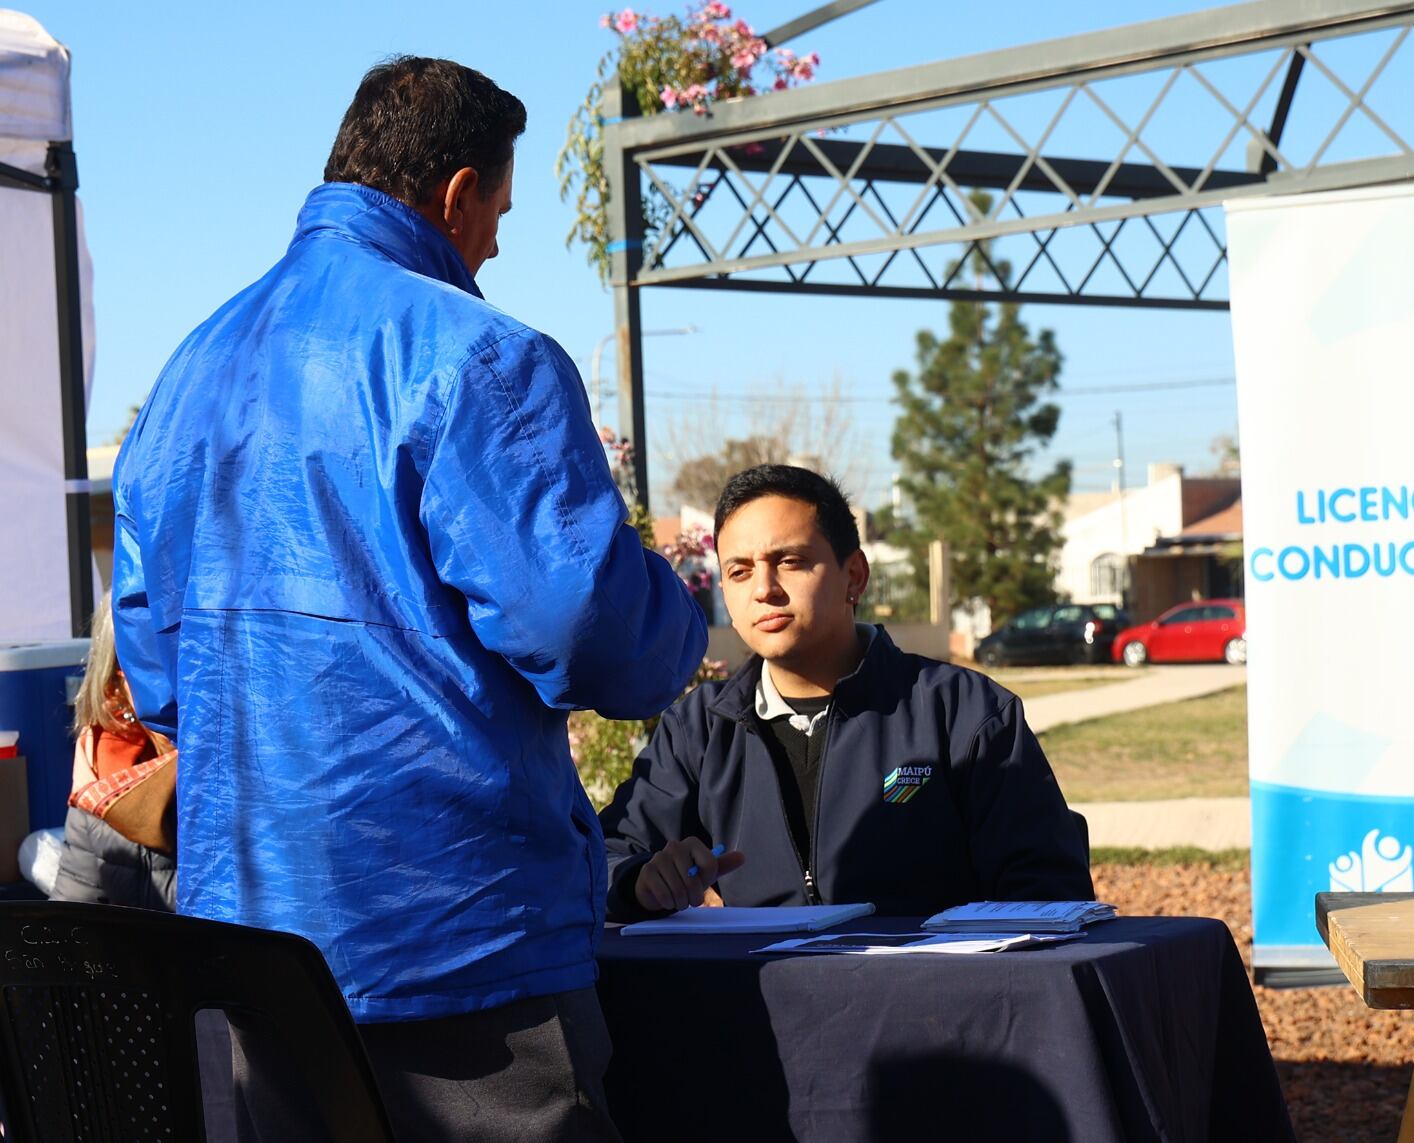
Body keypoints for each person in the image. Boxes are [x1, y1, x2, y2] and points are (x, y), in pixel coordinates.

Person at [112, 56, 707, 1142]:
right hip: (464, 946)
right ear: (455, 193)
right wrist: (682, 612)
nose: (492, 245)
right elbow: (586, 630)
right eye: (497, 214)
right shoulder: (482, 356)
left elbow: (156, 671)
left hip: (261, 943)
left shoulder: (188, 371)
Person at [599, 465, 1093, 919]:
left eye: (789, 561)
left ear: (853, 575)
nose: (763, 588)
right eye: (739, 570)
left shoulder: (965, 714)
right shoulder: (701, 729)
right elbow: (605, 857)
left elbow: (1049, 891)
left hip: (931, 1005)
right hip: (759, 1007)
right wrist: (638, 881)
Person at [52, 591, 177, 911]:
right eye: (148, 669)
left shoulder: (228, 761)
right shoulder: (98, 779)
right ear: (114, 686)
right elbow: (73, 920)